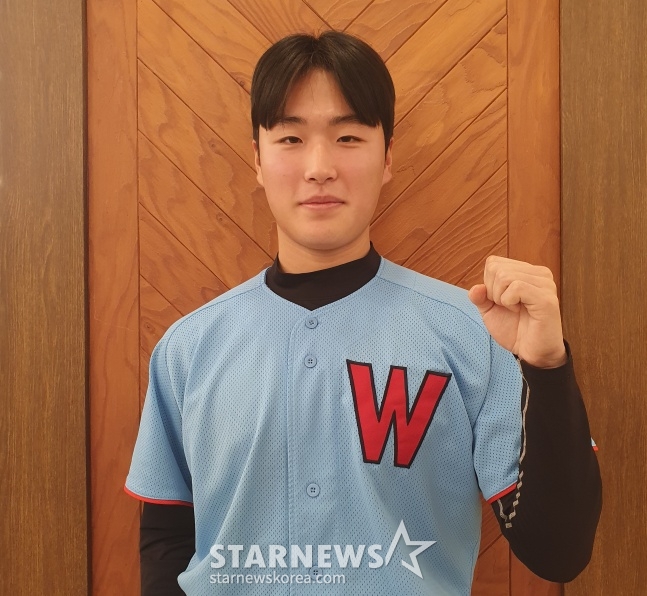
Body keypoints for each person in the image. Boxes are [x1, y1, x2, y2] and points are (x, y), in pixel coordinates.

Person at [125, 31, 601, 595]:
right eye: (291, 138)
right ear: (257, 158)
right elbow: (166, 538)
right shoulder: (188, 349)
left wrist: (547, 367)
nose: (319, 167)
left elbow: (559, 551)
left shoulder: (472, 333)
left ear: (387, 157)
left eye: (348, 136)